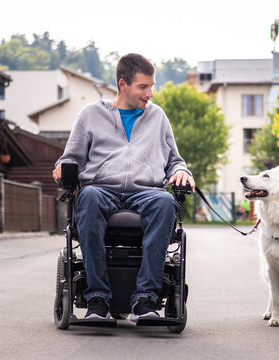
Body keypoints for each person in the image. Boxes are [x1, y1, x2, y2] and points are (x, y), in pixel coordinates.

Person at [52, 53, 195, 322]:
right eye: (143, 86)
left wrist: (181, 173)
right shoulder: (91, 114)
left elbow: (175, 161)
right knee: (89, 196)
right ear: (123, 84)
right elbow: (70, 158)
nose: (150, 93)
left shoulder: (158, 117)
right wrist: (63, 167)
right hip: (101, 189)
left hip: (147, 192)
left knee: (166, 203)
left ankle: (145, 300)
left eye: (152, 86)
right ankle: (98, 299)